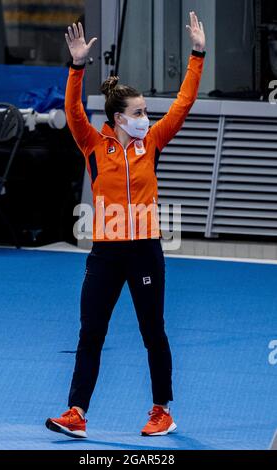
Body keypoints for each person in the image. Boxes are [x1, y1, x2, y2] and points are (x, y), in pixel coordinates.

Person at [46, 11, 206, 439]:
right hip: (106, 254)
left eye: (147, 112)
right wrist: (77, 66)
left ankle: (161, 410)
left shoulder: (152, 142)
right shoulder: (94, 144)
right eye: (138, 112)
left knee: (153, 331)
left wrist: (198, 53)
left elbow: (184, 103)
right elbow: (72, 109)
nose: (146, 118)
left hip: (145, 251)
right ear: (118, 117)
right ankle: (76, 412)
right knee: (90, 332)